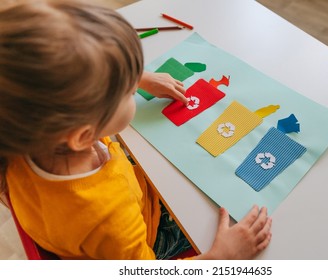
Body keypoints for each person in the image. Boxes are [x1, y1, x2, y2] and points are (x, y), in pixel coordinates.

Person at [0, 0, 272, 260]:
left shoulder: (24, 129)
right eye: (129, 91)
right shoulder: (108, 216)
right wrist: (220, 257)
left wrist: (137, 76)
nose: (135, 89)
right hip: (149, 232)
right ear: (83, 135)